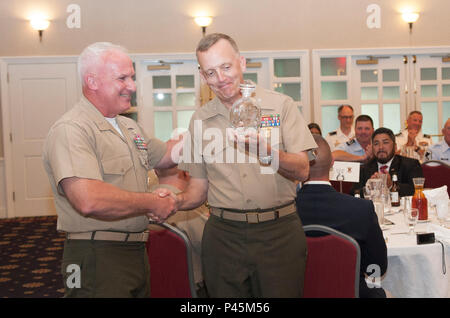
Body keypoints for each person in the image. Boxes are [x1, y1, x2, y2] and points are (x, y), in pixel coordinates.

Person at [175, 33, 317, 297]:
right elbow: (197, 191)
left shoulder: (280, 106)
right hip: (223, 236)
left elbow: (302, 169)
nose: (221, 78)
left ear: (242, 62)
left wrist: (268, 153)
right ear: (202, 76)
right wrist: (170, 202)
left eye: (226, 67)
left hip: (279, 233)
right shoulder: (200, 120)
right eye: (211, 72)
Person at [42, 42, 179, 297]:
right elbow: (88, 200)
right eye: (122, 78)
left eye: (132, 77)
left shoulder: (128, 127)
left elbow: (166, 156)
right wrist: (151, 202)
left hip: (135, 251)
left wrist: (207, 138)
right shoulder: (72, 129)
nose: (133, 86)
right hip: (97, 255)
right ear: (92, 81)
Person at [296, 134, 388, 298]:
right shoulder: (361, 208)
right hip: (351, 292)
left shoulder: (285, 210)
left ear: (298, 165)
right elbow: (377, 266)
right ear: (333, 163)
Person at [149, 167, 210, 297]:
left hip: (150, 287)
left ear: (155, 171)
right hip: (191, 288)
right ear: (188, 173)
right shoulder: (190, 212)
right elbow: (212, 248)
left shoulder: (144, 203)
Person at [352, 127, 423, 197]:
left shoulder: (411, 164)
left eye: (385, 143)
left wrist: (391, 185)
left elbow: (415, 190)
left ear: (395, 147)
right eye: (376, 144)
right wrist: (369, 189)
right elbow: (353, 193)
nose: (381, 147)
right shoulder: (364, 168)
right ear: (372, 148)